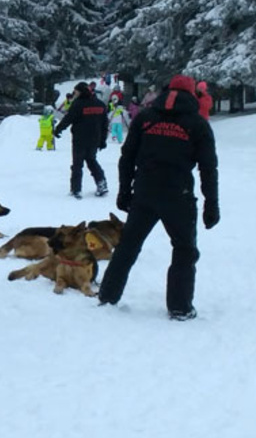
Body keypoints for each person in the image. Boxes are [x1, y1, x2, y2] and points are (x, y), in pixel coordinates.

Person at [99, 75, 218, 321]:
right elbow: (208, 168)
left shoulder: (145, 118)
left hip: (145, 192)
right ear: (192, 95)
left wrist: (124, 191)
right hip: (178, 195)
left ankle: (108, 295)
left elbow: (127, 157)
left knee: (128, 246)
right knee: (184, 250)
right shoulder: (197, 124)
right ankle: (180, 307)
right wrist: (211, 205)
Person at [53, 82, 109, 199]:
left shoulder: (78, 104)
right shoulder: (100, 104)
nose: (74, 93)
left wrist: (58, 129)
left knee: (77, 164)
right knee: (92, 161)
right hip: (95, 139)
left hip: (80, 139)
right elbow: (105, 124)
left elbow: (68, 118)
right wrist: (103, 140)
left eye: (76, 91)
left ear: (81, 91)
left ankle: (76, 189)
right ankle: (101, 183)